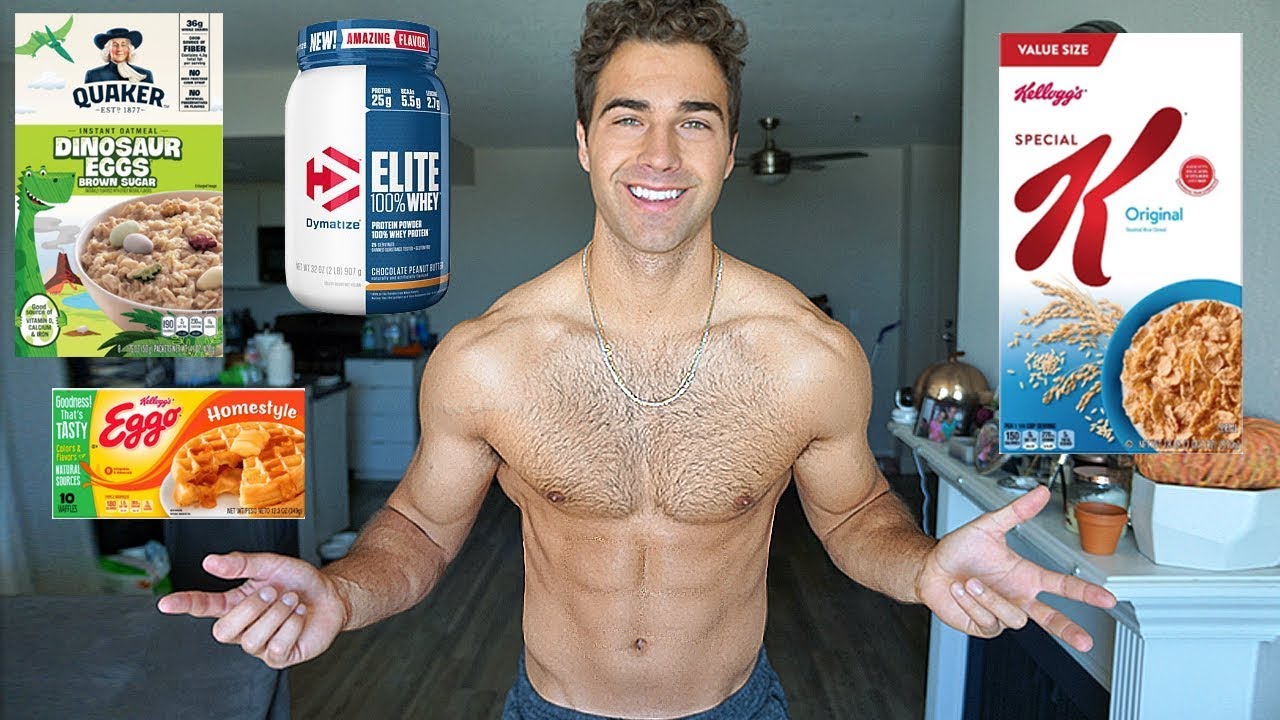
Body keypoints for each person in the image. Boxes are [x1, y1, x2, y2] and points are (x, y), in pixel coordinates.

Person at [158, 1, 1117, 717]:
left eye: (694, 120)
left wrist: (923, 568)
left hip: (738, 707)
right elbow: (418, 525)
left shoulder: (807, 358)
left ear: (730, 149)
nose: (660, 153)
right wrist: (340, 590)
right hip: (551, 708)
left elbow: (856, 511)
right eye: (628, 117)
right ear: (583, 142)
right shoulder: (489, 358)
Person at [83, 27, 154, 84]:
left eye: (123, 45)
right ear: (107, 49)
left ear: (129, 49)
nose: (119, 49)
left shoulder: (144, 75)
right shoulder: (93, 75)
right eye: (114, 45)